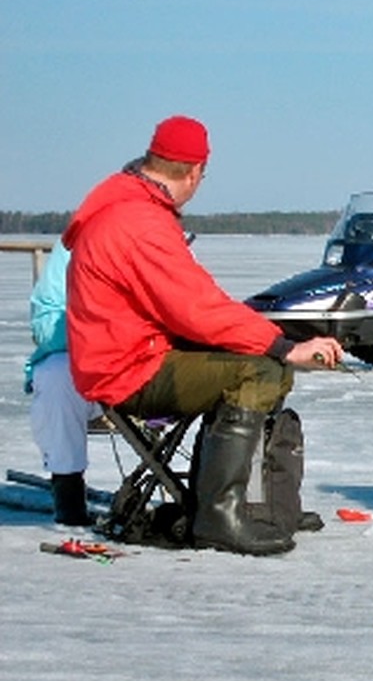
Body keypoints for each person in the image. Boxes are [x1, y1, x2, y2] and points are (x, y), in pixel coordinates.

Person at [63, 115, 344, 555]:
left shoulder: (131, 210)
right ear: (194, 171)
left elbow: (191, 308)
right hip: (127, 370)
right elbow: (197, 309)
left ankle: (258, 504)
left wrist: (264, 339)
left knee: (262, 364)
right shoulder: (138, 222)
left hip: (133, 355)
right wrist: (285, 346)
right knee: (260, 372)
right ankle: (219, 518)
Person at [25, 239, 103, 526]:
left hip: (149, 365)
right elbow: (45, 324)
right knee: (55, 374)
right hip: (89, 366)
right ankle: (68, 492)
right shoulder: (73, 246)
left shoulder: (166, 241)